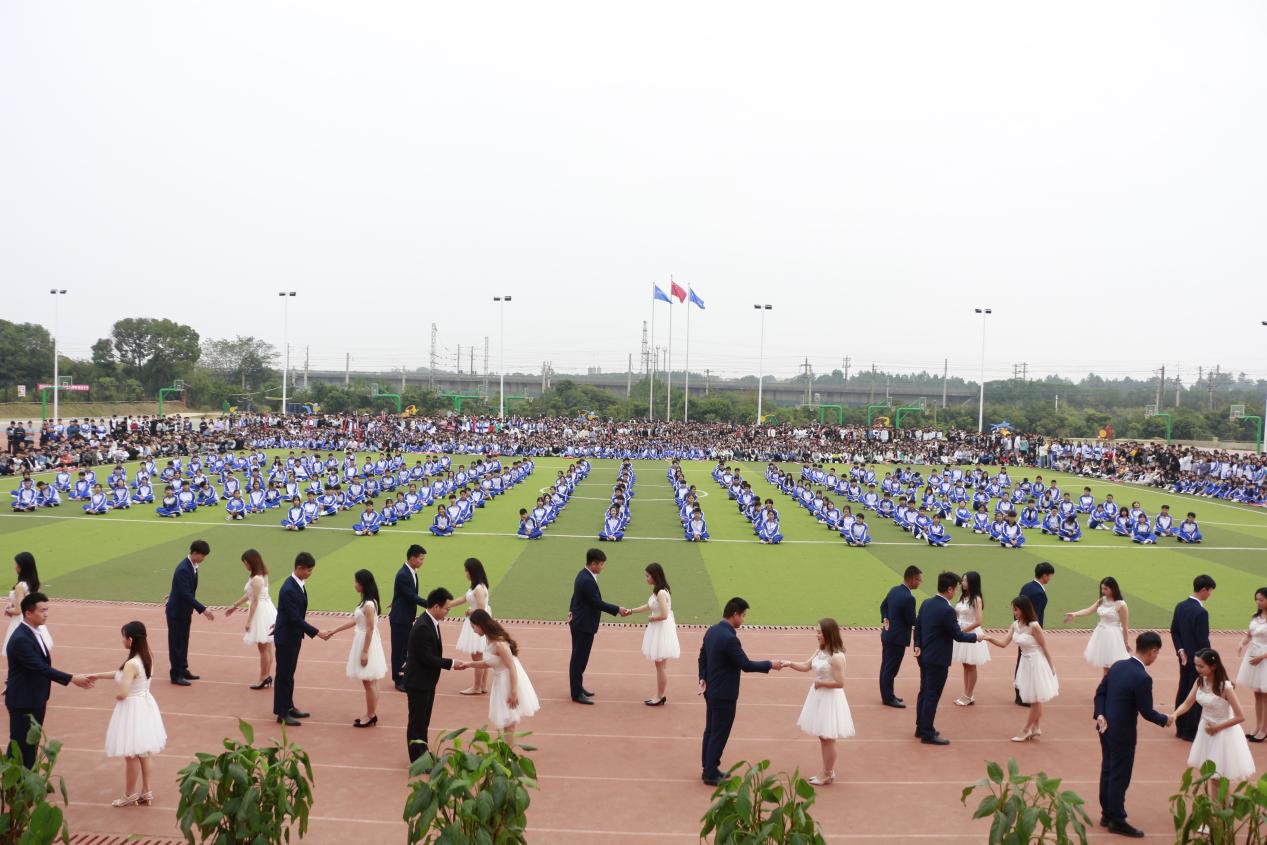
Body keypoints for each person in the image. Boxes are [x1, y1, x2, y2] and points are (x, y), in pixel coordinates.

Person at [1094, 631, 1173, 837]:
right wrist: (1164, 719)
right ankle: (1117, 819)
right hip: (1123, 732)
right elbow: (1146, 712)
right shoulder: (1142, 677)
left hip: (1105, 727)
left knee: (1108, 769)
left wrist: (1100, 714)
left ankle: (1107, 813)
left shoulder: (1118, 665)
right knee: (1120, 775)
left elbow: (1100, 692)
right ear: (1153, 651)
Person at [5, 593, 94, 768]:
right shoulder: (21, 639)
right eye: (42, 610)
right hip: (23, 701)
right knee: (21, 746)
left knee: (30, 745)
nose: (46, 614)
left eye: (47, 610)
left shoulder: (32, 633)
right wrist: (72, 678)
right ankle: (15, 789)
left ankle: (22, 786)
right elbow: (40, 667)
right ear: (28, 613)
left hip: (35, 698)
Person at [698, 597, 781, 786]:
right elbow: (746, 665)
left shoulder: (712, 631)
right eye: (743, 616)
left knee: (711, 730)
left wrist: (702, 677)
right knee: (719, 732)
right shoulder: (730, 639)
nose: (743, 620)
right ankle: (710, 772)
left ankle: (708, 767)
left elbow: (702, 656)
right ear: (735, 614)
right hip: (724, 694)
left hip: (711, 690)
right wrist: (770, 664)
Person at [86, 621, 167, 807]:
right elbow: (121, 674)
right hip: (145, 705)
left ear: (130, 639)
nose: (122, 640)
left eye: (123, 637)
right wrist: (98, 675)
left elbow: (123, 692)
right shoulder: (147, 657)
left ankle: (129, 794)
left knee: (131, 754)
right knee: (144, 752)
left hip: (132, 708)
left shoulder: (132, 663)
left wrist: (116, 695)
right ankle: (146, 791)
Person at [913, 571, 979, 745]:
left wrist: (917, 646)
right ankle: (927, 732)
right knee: (932, 695)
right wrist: (977, 637)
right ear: (949, 589)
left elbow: (917, 627)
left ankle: (921, 727)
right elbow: (957, 635)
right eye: (955, 589)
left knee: (924, 692)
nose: (956, 591)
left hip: (925, 656)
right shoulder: (947, 610)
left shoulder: (926, 603)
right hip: (938, 659)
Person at [787, 618, 854, 787]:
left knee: (827, 737)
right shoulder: (820, 651)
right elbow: (806, 665)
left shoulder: (837, 657)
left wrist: (820, 683)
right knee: (823, 736)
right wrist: (788, 663)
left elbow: (840, 683)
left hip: (829, 699)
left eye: (819, 632)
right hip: (819, 697)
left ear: (828, 634)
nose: (816, 635)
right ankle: (827, 770)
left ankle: (827, 773)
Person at [1172, 648, 1256, 781]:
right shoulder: (1200, 681)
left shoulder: (1225, 687)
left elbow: (1240, 716)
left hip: (1223, 734)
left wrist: (1217, 727)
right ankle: (1215, 802)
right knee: (1210, 776)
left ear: (1213, 666)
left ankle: (1223, 802)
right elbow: (1187, 703)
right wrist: (1175, 714)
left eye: (1201, 666)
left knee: (1221, 778)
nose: (1197, 669)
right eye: (1196, 665)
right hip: (1206, 731)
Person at [404, 587, 467, 763]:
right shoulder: (423, 626)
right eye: (447, 608)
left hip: (426, 681)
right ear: (437, 606)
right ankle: (418, 760)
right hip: (418, 682)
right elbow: (427, 658)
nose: (448, 612)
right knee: (416, 723)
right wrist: (452, 663)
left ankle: (424, 754)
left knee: (423, 722)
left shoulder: (431, 622)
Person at [983, 596, 1058, 741]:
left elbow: (1044, 647)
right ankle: (1036, 727)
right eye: (1013, 609)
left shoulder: (1034, 626)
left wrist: (1051, 667)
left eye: (1016, 609)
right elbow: (1004, 643)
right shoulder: (1015, 625)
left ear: (1024, 610)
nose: (1014, 612)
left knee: (1035, 698)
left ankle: (1026, 730)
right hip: (1025, 663)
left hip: (1036, 662)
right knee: (1035, 697)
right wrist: (989, 638)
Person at [462, 610, 539, 749]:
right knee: (507, 723)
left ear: (480, 625)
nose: (473, 630)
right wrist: (468, 664)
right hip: (501, 681)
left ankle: (508, 757)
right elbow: (490, 663)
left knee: (509, 723)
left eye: (473, 627)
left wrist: (514, 692)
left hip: (508, 681)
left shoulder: (499, 644)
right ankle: (507, 753)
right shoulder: (489, 639)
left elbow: (512, 667)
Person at [320, 570, 388, 727]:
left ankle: (371, 714)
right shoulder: (366, 602)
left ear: (363, 584)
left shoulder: (369, 605)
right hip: (365, 640)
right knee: (371, 681)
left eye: (356, 582)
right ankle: (371, 713)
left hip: (366, 642)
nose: (354, 584)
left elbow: (370, 629)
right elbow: (356, 621)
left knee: (368, 681)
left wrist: (364, 652)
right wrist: (334, 630)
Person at [567, 548, 629, 705]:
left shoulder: (584, 575)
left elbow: (575, 595)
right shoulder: (586, 580)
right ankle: (576, 693)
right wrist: (618, 610)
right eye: (601, 564)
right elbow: (596, 602)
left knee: (580, 658)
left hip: (581, 622)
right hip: (583, 624)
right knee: (579, 659)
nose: (603, 567)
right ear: (593, 564)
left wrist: (570, 610)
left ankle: (578, 687)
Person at [272, 552, 324, 726]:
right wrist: (316, 632)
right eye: (308, 570)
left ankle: (288, 706)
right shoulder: (289, 588)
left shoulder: (298, 584)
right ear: (299, 568)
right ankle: (281, 712)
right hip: (286, 638)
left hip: (292, 636)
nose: (310, 573)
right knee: (283, 675)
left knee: (289, 674)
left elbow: (287, 613)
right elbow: (294, 618)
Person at [627, 562, 680, 706]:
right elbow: (649, 605)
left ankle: (660, 696)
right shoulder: (658, 590)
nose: (646, 579)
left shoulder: (661, 592)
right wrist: (631, 611)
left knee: (660, 666)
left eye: (647, 576)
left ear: (655, 575)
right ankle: (659, 695)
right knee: (660, 666)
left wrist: (652, 618)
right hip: (660, 629)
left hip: (661, 629)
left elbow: (664, 614)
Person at [224, 549, 276, 689]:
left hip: (261, 612)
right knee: (267, 646)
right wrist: (235, 606)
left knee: (263, 647)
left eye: (246, 563)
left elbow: (254, 601)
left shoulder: (256, 579)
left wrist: (249, 621)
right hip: (267, 609)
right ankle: (266, 675)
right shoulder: (261, 576)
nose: (245, 566)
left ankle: (264, 677)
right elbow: (249, 595)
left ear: (251, 562)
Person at [1172, 574, 1216, 741]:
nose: (1210, 594)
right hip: (1199, 661)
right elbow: (1203, 640)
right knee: (1196, 694)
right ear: (1204, 590)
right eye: (1210, 591)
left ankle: (1180, 728)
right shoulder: (1201, 612)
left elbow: (1174, 631)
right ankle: (1190, 731)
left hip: (1184, 658)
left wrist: (1181, 650)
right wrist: (1210, 661)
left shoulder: (1180, 606)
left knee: (1183, 689)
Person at [165, 540, 214, 686]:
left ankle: (183, 668)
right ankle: (176, 674)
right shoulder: (183, 569)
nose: (203, 559)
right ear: (195, 553)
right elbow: (186, 594)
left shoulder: (193, 566)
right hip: (176, 612)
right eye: (203, 556)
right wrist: (203, 609)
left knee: (184, 640)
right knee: (176, 643)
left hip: (185, 611)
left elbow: (183, 589)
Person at [1063, 577, 1130, 674]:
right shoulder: (1102, 600)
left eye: (1106, 589)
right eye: (1102, 588)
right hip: (1101, 634)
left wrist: (1126, 643)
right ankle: (1106, 686)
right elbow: (1088, 610)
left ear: (1113, 589)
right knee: (1105, 666)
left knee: (1115, 666)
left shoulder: (1121, 605)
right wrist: (1075, 614)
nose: (1103, 591)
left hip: (1113, 636)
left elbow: (1125, 626)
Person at [447, 558, 492, 696]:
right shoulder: (476, 586)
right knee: (481, 654)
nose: (465, 573)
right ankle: (482, 685)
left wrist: (469, 612)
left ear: (471, 571)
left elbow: (481, 607)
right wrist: (448, 604)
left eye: (466, 570)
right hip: (477, 621)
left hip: (478, 622)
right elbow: (464, 598)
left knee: (477, 655)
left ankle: (477, 686)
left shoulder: (478, 588)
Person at [879, 565, 921, 709]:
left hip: (887, 635)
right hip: (897, 638)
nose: (919, 583)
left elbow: (883, 606)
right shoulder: (909, 598)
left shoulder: (894, 590)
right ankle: (888, 698)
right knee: (891, 669)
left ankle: (888, 695)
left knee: (886, 666)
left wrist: (885, 620)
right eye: (919, 580)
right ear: (913, 579)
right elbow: (911, 620)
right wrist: (924, 622)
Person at [389, 544, 427, 692]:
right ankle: (397, 679)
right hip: (400, 618)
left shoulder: (412, 572)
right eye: (421, 559)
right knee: (398, 649)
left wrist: (394, 601)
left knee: (405, 648)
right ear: (412, 558)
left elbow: (402, 593)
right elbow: (410, 595)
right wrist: (428, 604)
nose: (422, 562)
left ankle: (404, 675)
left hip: (405, 616)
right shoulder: (403, 574)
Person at [1015, 562, 1054, 706]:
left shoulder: (1026, 586)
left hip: (1021, 628)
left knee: (1022, 661)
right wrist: (1036, 633)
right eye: (1050, 576)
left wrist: (1019, 626)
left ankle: (1020, 694)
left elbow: (1017, 607)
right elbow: (1035, 616)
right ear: (1044, 575)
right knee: (1031, 663)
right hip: (1031, 632)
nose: (1050, 578)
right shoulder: (1039, 592)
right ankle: (1025, 695)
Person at [951, 571, 989, 707]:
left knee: (971, 665)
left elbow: (979, 621)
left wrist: (962, 632)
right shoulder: (963, 596)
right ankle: (968, 694)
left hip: (971, 634)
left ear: (972, 582)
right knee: (965, 664)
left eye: (965, 580)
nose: (963, 583)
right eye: (963, 580)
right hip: (962, 633)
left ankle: (968, 695)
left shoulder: (976, 599)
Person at [4, 552, 52, 654]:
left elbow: (18, 610)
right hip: (32, 619)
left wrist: (8, 610)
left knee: (19, 653)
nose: (15, 567)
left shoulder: (20, 586)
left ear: (22, 567)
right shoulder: (34, 584)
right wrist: (12, 605)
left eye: (17, 565)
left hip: (20, 622)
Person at [1236, 587, 1267, 742]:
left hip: (1264, 658)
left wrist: (1262, 657)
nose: (1258, 602)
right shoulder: (1256, 616)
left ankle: (1264, 729)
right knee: (1257, 694)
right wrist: (1242, 643)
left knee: (1265, 695)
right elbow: (1250, 635)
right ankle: (1257, 726)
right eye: (1257, 599)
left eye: (1262, 599)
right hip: (1253, 655)